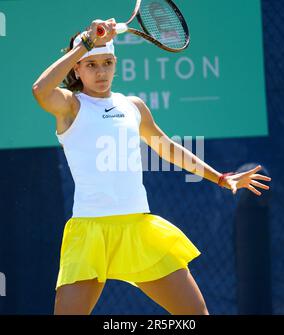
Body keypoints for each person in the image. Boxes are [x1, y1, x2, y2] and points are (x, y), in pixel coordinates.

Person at [32, 19, 271, 315]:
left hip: (138, 229)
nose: (101, 71)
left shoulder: (133, 106)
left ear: (116, 64)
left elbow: (168, 148)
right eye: (91, 65)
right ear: (77, 69)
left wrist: (220, 178)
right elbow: (41, 89)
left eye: (107, 63)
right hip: (90, 233)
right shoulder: (70, 106)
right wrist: (86, 45)